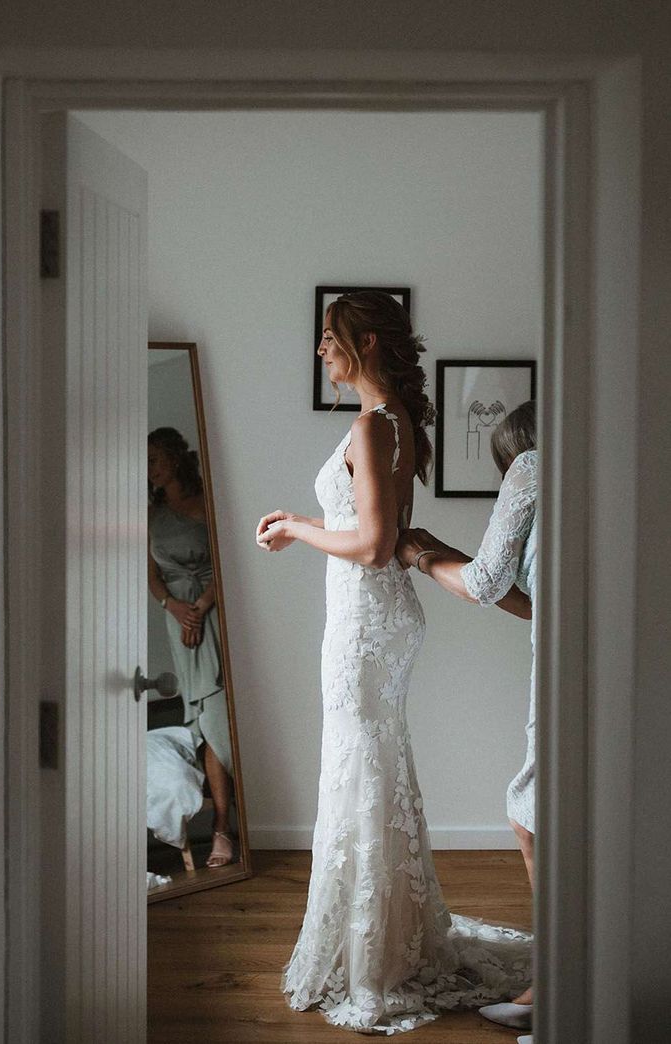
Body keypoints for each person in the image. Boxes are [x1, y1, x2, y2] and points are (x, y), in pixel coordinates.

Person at [256, 292, 530, 1034]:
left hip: (364, 625)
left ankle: (373, 959)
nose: (321, 351)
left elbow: (376, 545)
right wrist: (302, 523)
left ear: (365, 342)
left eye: (328, 339)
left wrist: (309, 536)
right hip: (376, 619)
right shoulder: (395, 422)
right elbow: (370, 526)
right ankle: (383, 935)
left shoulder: (371, 424)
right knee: (370, 764)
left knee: (360, 766)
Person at [396, 400, 537, 1040]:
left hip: (572, 667)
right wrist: (448, 551)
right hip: (591, 655)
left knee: (528, 808)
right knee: (541, 808)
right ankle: (561, 973)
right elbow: (536, 603)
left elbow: (482, 583)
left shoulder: (534, 464)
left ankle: (554, 982)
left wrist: (421, 558)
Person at [148, 426, 235, 869]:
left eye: (154, 460)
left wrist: (200, 606)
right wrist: (174, 606)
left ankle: (236, 823)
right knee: (203, 720)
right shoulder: (149, 514)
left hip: (216, 613)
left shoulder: (207, 503)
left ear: (174, 459)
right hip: (179, 621)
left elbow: (230, 560)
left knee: (224, 717)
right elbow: (151, 576)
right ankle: (222, 829)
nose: (149, 470)